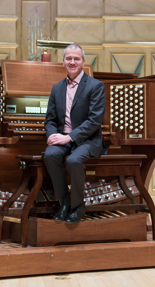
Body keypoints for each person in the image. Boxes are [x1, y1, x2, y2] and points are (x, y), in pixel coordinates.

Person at [43, 44, 106, 224]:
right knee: (50, 155)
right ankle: (65, 202)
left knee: (73, 160)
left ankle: (78, 205)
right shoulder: (57, 88)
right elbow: (50, 120)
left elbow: (94, 121)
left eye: (76, 59)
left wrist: (69, 137)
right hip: (64, 139)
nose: (72, 62)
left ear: (83, 62)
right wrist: (52, 135)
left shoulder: (95, 86)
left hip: (88, 139)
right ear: (63, 61)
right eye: (69, 58)